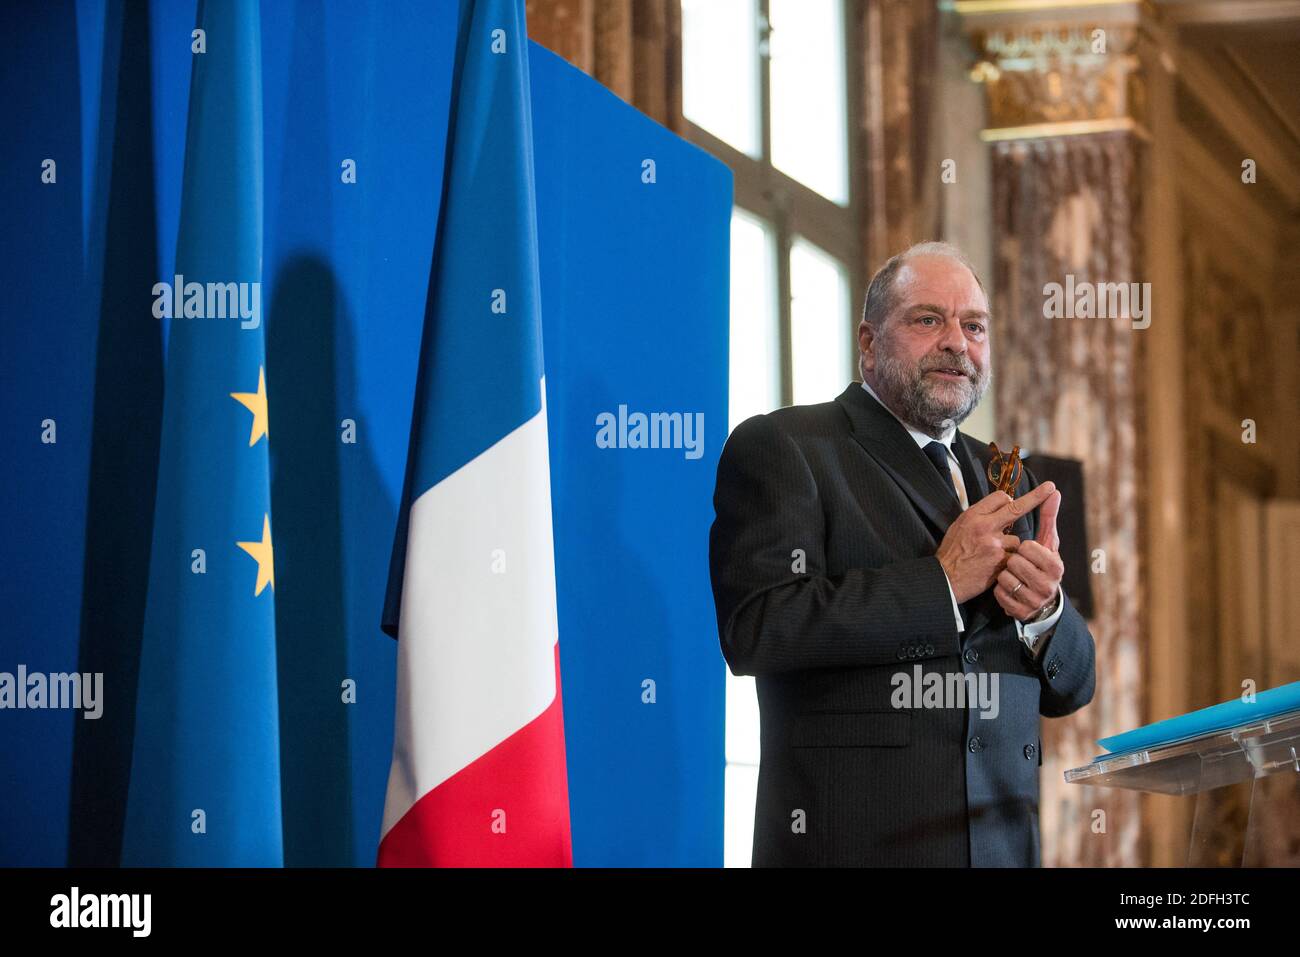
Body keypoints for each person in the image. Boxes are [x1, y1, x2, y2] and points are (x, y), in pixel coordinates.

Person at [708, 241, 1096, 866]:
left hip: (1001, 848)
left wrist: (1046, 612)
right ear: (868, 342)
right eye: (927, 319)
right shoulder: (786, 447)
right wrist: (940, 584)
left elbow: (1073, 688)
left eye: (974, 326)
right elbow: (758, 629)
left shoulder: (1009, 480)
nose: (956, 343)